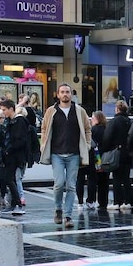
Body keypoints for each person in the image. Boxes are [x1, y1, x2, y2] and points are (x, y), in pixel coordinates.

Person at [39, 82, 93, 229]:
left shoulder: (79, 111)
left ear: (71, 94)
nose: (65, 94)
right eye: (62, 92)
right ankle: (58, 209)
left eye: (67, 92)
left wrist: (87, 145)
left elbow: (88, 129)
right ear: (58, 94)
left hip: (74, 154)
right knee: (59, 184)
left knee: (71, 186)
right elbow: (44, 128)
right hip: (57, 153)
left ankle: (68, 215)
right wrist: (44, 143)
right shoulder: (51, 111)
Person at [0, 99, 29, 216]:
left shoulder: (19, 121)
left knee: (10, 179)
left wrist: (8, 150)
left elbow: (20, 140)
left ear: (11, 109)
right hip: (11, 154)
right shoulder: (11, 121)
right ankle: (15, 204)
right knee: (9, 179)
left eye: (4, 110)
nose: (3, 112)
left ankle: (17, 204)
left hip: (14, 155)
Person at [104, 100, 133, 212]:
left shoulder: (114, 122)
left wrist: (106, 149)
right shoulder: (130, 121)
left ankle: (118, 201)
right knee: (126, 178)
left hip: (117, 152)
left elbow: (107, 138)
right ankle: (127, 202)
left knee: (117, 178)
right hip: (128, 153)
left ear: (117, 109)